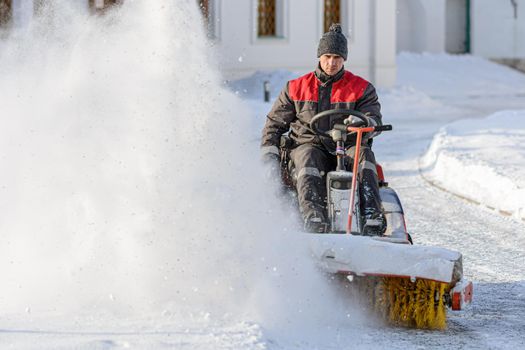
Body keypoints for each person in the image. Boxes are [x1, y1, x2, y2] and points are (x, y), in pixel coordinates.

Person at [260, 23, 386, 235]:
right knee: (307, 156)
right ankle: (314, 217)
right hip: (309, 145)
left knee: (364, 155)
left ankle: (371, 215)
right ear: (319, 56)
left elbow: (373, 117)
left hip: (347, 146)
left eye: (337, 57)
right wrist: (268, 155)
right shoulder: (295, 88)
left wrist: (363, 123)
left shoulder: (361, 88)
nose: (331, 63)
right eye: (327, 56)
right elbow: (273, 125)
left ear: (344, 59)